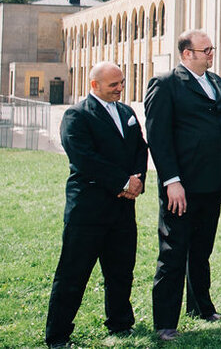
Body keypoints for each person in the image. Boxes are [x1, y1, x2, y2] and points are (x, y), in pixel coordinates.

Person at [44, 62, 147, 348]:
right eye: (113, 84)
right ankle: (58, 334)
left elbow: (140, 147)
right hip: (88, 210)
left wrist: (137, 180)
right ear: (94, 85)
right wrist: (123, 182)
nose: (120, 88)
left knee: (121, 270)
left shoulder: (126, 112)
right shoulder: (76, 115)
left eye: (122, 82)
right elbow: (84, 158)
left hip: (123, 209)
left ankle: (120, 323)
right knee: (73, 274)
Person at [145, 29, 221, 341]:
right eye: (205, 49)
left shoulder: (217, 82)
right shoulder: (166, 84)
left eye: (211, 48)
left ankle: (201, 307)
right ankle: (165, 322)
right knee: (173, 252)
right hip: (181, 186)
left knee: (201, 250)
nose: (211, 53)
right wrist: (172, 181)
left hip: (212, 184)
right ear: (186, 54)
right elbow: (158, 137)